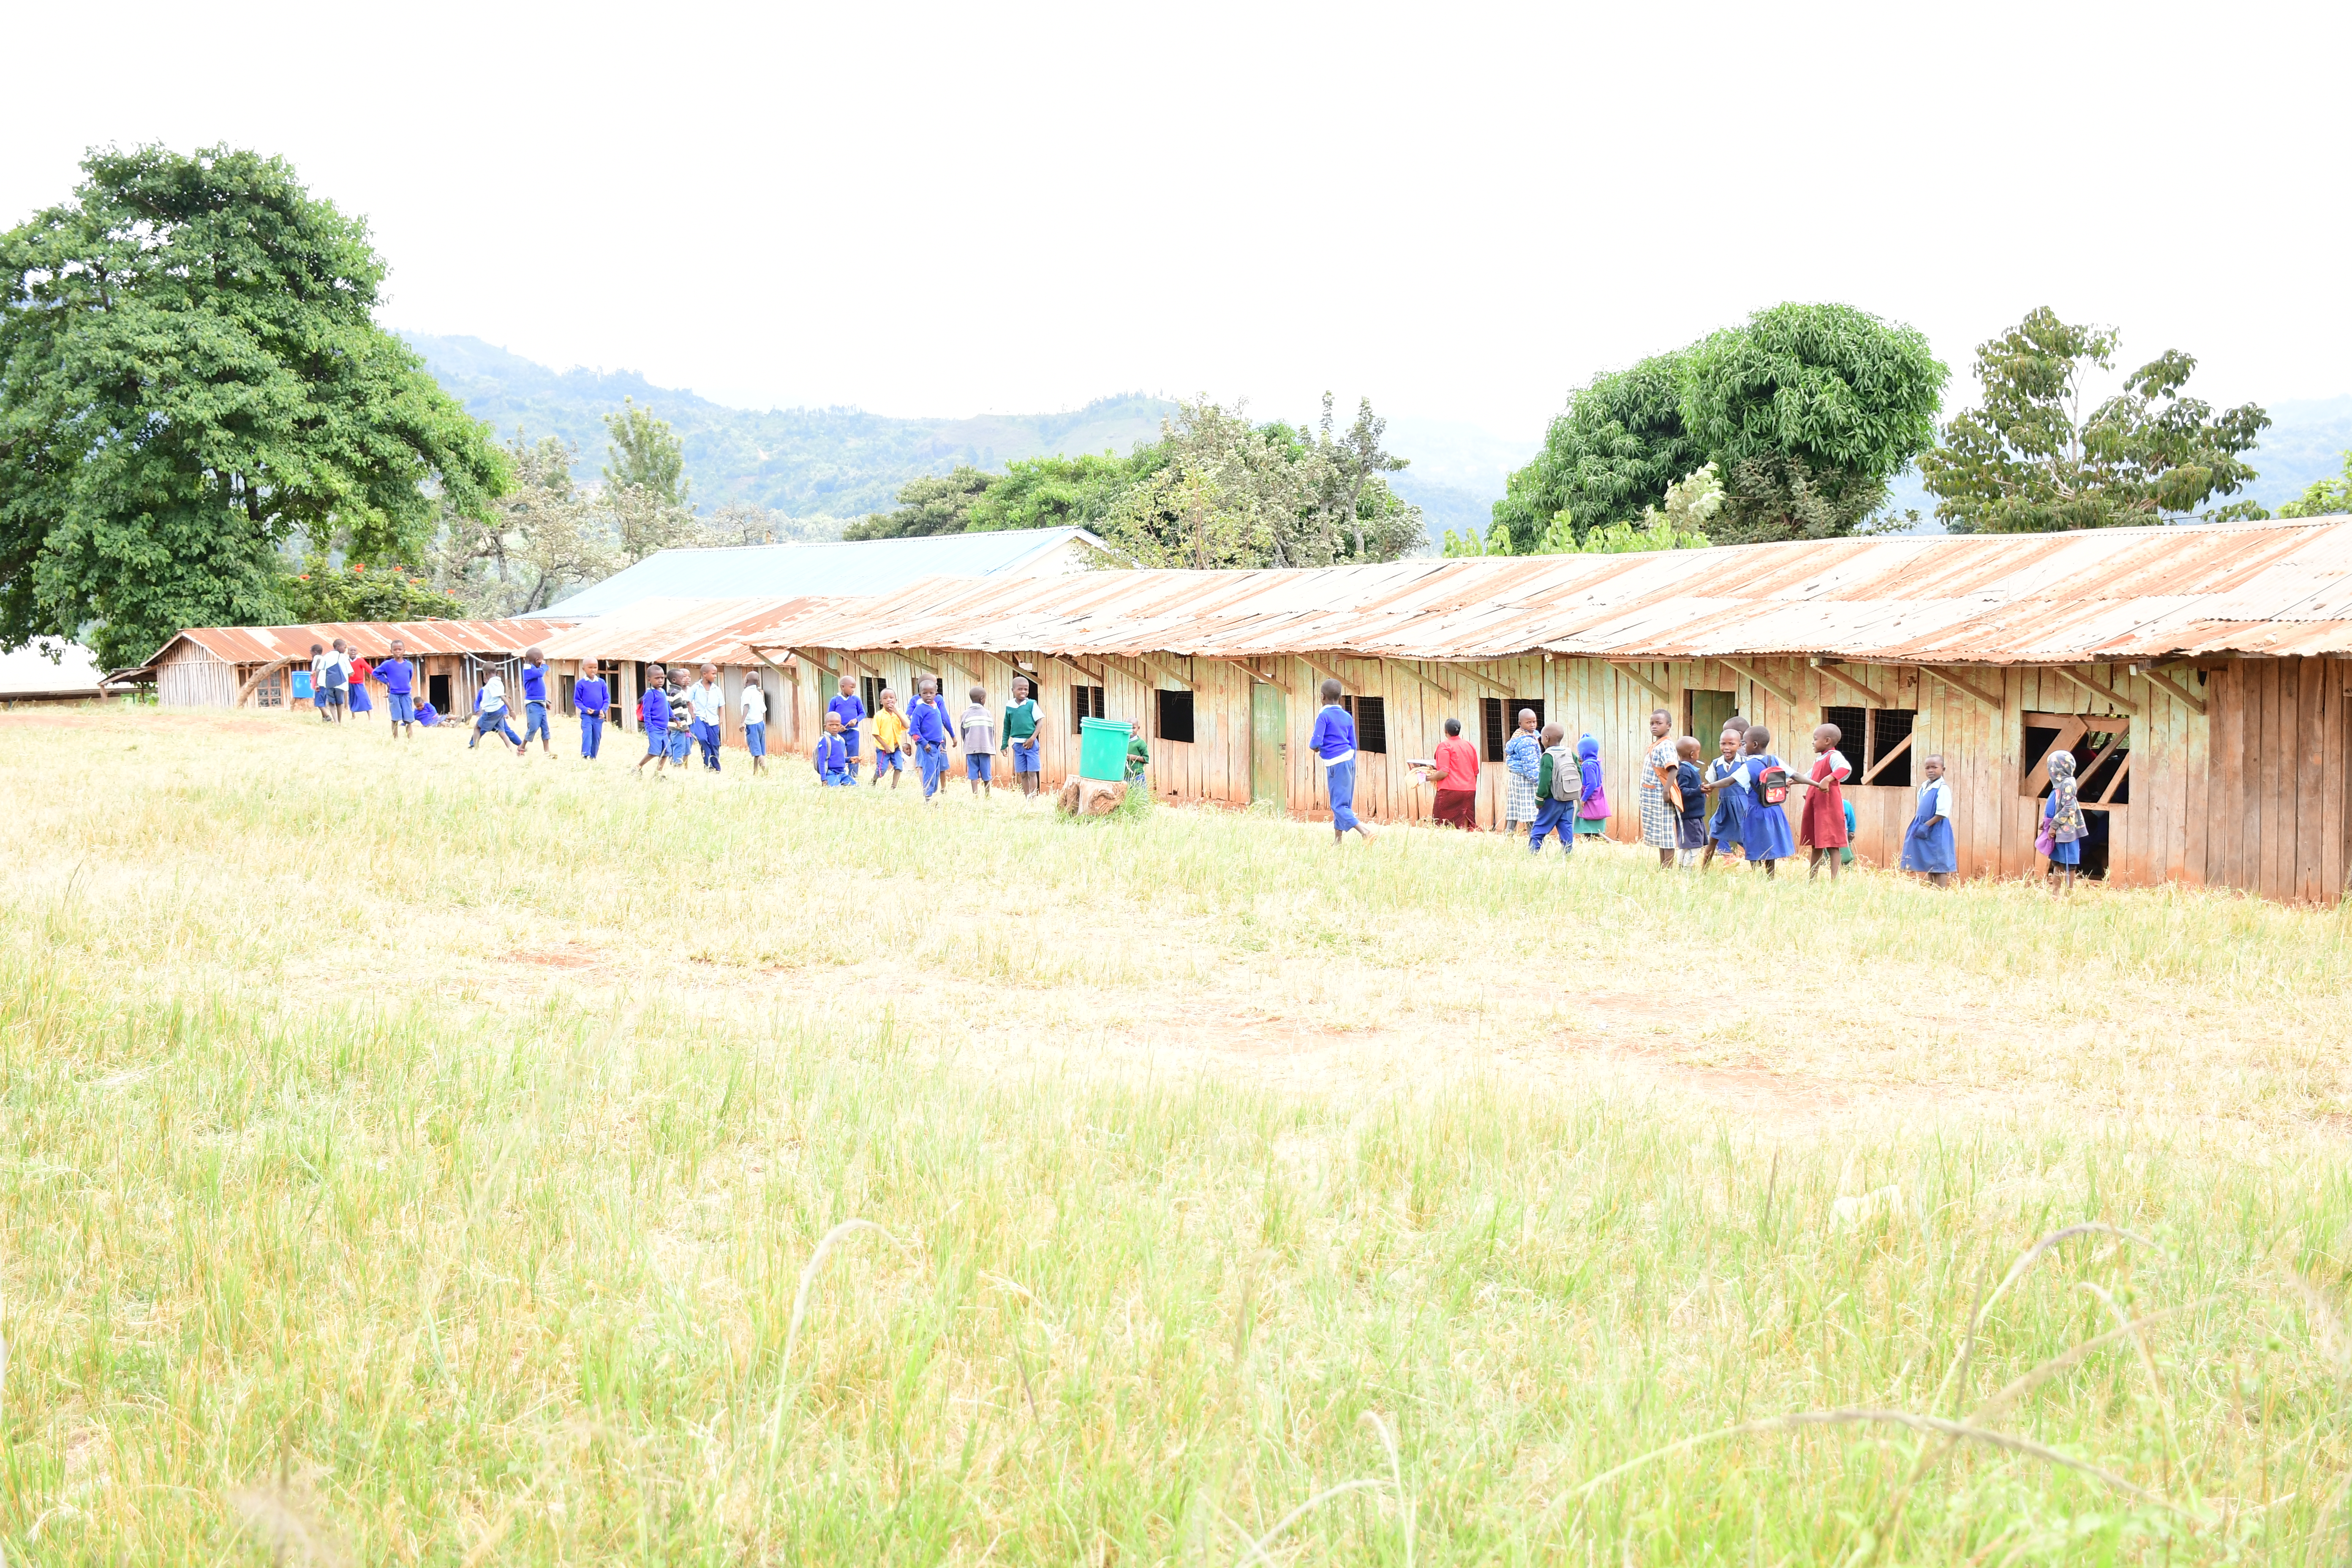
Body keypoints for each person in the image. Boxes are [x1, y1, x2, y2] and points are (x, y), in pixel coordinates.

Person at [1309, 678, 1378, 845]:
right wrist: (1352, 762)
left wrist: (1315, 747)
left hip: (1336, 764)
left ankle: (1365, 832)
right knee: (1343, 802)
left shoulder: (1324, 716)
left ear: (1322, 697)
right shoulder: (1347, 717)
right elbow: (1353, 743)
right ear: (1340, 697)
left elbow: (1316, 741)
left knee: (1338, 806)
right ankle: (1338, 841)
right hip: (1349, 761)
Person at [1733, 724, 1795, 877]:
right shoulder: (1775, 760)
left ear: (1754, 745)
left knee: (1753, 840)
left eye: (1744, 743)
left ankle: (1756, 873)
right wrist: (1816, 783)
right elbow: (1795, 775)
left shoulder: (1749, 765)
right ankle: (1771, 876)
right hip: (1774, 810)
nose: (1742, 746)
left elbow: (1729, 781)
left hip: (1755, 811)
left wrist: (1710, 786)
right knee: (1770, 843)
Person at [1796, 721, 1854, 881]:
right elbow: (1806, 777)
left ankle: (1834, 881)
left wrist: (1828, 779)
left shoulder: (1834, 757)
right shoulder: (1819, 760)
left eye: (1815, 739)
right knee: (1816, 843)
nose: (1813, 742)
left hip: (1829, 806)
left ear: (1827, 741)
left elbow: (1846, 769)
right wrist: (1790, 781)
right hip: (1817, 806)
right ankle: (1812, 880)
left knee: (1833, 844)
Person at [1699, 718, 1750, 870]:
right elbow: (1709, 782)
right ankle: (1704, 871)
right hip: (1725, 806)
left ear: (1740, 745)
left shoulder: (1746, 763)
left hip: (1742, 806)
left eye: (1732, 744)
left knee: (1747, 838)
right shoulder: (1717, 764)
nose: (1727, 748)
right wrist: (1705, 790)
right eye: (1723, 744)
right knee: (1714, 834)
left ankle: (1759, 869)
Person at [1901, 753, 1956, 888]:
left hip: (1937, 828)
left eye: (1935, 767)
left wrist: (1927, 825)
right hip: (1924, 826)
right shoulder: (1924, 787)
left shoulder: (1942, 789)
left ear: (1943, 770)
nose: (1931, 771)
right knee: (1929, 860)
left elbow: (1942, 813)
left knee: (1939, 861)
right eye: (1927, 768)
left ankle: (1941, 890)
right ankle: (1931, 889)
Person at [1420, 716, 1481, 830]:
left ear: (1445, 731)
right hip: (1469, 790)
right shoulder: (1470, 745)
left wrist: (1427, 778)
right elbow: (1475, 772)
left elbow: (1444, 772)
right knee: (1465, 824)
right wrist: (1469, 787)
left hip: (1449, 791)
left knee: (1441, 824)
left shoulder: (1445, 746)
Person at [1638, 708, 1678, 868]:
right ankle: (1663, 866)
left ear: (1668, 726)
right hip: (1653, 795)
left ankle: (1667, 868)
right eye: (1652, 723)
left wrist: (1666, 791)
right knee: (1661, 834)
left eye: (1659, 723)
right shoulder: (1656, 745)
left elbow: (1673, 769)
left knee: (1666, 834)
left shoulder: (1666, 745)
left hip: (1661, 796)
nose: (1654, 726)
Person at [1528, 723, 1576, 856]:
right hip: (1568, 798)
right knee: (1566, 826)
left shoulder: (1548, 757)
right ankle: (1568, 854)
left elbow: (1545, 780)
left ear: (1547, 739)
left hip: (1552, 799)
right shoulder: (1569, 753)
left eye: (1542, 737)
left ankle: (1532, 853)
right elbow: (1579, 772)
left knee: (1540, 826)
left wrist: (1540, 799)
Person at [2043, 749, 2085, 895]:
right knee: (2057, 862)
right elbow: (2055, 805)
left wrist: (2054, 826)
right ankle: (2055, 894)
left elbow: (2069, 807)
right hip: (2057, 830)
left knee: (2069, 863)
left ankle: (2069, 894)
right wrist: (2047, 823)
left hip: (2065, 831)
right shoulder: (2058, 785)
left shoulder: (2067, 784)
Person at [907, 677, 954, 801]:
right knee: (929, 771)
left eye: (931, 693)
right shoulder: (920, 709)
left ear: (936, 694)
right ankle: (927, 799)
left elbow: (942, 722)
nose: (928, 696)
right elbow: (914, 731)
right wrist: (924, 743)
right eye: (925, 693)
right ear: (920, 695)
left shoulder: (935, 707)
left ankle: (931, 795)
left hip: (938, 746)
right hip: (928, 746)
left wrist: (947, 738)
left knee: (936, 772)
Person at [1002, 676, 1043, 798]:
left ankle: (1034, 798)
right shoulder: (1010, 706)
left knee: (1032, 772)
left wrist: (1032, 739)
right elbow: (1007, 726)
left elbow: (1040, 722)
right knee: (1023, 774)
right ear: (1013, 690)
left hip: (1031, 744)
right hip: (1018, 745)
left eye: (1026, 689)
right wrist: (1005, 744)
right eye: (1020, 689)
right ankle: (1027, 798)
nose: (1023, 692)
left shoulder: (1031, 704)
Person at [1503, 708, 1542, 836]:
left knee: (1514, 807)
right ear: (1520, 724)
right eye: (1528, 723)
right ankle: (1533, 838)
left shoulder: (1520, 736)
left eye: (1534, 722)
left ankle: (1509, 836)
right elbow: (1530, 766)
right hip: (1526, 778)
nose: (1532, 725)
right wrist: (1538, 781)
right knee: (1530, 809)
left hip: (1517, 777)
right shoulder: (1527, 742)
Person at [1673, 737, 1709, 868]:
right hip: (1691, 816)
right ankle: (1687, 871)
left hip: (1691, 815)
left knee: (1687, 845)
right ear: (1693, 754)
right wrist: (1698, 791)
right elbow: (1681, 792)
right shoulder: (1684, 771)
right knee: (1695, 846)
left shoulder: (1686, 769)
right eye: (1698, 752)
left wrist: (1701, 792)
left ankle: (1681, 869)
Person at [959, 684, 997, 798]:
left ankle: (975, 795)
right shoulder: (987, 713)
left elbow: (963, 732)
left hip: (971, 748)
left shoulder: (965, 714)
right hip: (985, 748)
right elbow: (992, 731)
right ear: (982, 699)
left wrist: (968, 743)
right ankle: (987, 794)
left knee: (973, 772)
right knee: (986, 772)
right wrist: (990, 744)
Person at [469, 672, 523, 753]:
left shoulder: (495, 687)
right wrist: (477, 711)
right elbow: (477, 702)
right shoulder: (483, 691)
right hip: (491, 713)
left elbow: (501, 700)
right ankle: (472, 744)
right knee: (496, 731)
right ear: (485, 680)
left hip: (494, 713)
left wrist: (506, 712)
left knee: (506, 731)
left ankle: (521, 744)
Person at [869, 688, 910, 789]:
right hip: (884, 748)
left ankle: (893, 787)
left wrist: (896, 712)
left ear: (896, 700)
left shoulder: (899, 713)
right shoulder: (879, 716)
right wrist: (885, 746)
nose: (889, 700)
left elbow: (906, 726)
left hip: (896, 747)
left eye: (891, 698)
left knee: (899, 767)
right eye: (885, 698)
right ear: (881, 701)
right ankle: (873, 781)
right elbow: (876, 734)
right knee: (881, 770)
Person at [636, 664, 672, 776]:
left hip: (664, 728)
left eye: (662, 678)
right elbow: (646, 712)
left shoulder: (663, 692)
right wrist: (650, 726)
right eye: (657, 678)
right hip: (654, 727)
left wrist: (675, 718)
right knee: (654, 751)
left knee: (666, 752)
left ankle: (658, 773)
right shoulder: (650, 694)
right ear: (649, 679)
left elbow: (667, 707)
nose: (661, 680)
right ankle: (638, 767)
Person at [376, 639, 418, 739]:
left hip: (406, 694)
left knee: (408, 719)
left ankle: (410, 739)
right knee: (395, 718)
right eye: (395, 650)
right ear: (391, 651)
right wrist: (387, 682)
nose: (398, 652)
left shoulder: (409, 665)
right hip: (394, 694)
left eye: (400, 649)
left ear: (404, 650)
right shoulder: (388, 665)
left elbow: (410, 676)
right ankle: (396, 738)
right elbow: (376, 673)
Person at [517, 648, 554, 757]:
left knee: (545, 728)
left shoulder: (534, 669)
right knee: (533, 727)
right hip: (533, 705)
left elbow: (538, 689)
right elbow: (540, 673)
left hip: (541, 703)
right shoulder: (529, 670)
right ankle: (522, 747)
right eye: (541, 661)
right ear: (538, 660)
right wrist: (544, 666)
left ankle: (547, 752)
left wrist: (545, 701)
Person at [1573, 735, 1610, 843]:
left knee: (1588, 827)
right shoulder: (1596, 763)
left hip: (1589, 799)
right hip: (1596, 798)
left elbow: (1592, 784)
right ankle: (1593, 843)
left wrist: (1584, 799)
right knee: (1591, 829)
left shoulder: (1588, 765)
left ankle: (1609, 842)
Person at [828, 677, 866, 783]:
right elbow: (830, 715)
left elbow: (863, 713)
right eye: (851, 687)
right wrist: (838, 726)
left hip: (854, 732)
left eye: (854, 688)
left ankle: (853, 776)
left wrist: (856, 720)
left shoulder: (856, 700)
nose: (853, 690)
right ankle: (839, 773)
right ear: (843, 687)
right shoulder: (835, 700)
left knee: (854, 752)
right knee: (839, 752)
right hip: (840, 733)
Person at [689, 663, 725, 771]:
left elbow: (722, 705)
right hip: (700, 719)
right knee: (703, 739)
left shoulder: (717, 689)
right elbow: (688, 702)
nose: (715, 676)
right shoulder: (696, 688)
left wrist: (721, 719)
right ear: (705, 674)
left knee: (715, 744)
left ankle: (716, 768)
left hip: (714, 720)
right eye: (713, 674)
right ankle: (708, 765)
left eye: (716, 674)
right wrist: (693, 716)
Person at [574, 664, 610, 760]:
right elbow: (577, 700)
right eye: (590, 668)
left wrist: (603, 710)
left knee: (597, 736)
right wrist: (585, 709)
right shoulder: (581, 683)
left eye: (595, 668)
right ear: (584, 669)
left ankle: (593, 757)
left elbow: (607, 699)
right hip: (587, 715)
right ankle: (585, 755)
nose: (593, 670)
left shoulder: (601, 683)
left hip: (599, 716)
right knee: (588, 733)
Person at [813, 713, 854, 785]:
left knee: (855, 786)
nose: (834, 727)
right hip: (831, 773)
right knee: (836, 789)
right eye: (831, 725)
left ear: (841, 726)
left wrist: (849, 759)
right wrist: (824, 778)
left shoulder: (841, 740)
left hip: (842, 774)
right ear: (825, 727)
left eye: (837, 725)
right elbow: (821, 760)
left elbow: (837, 759)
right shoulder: (825, 739)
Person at [666, 669, 695, 769]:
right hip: (679, 726)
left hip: (673, 726)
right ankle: (677, 767)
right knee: (679, 746)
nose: (684, 679)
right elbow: (679, 713)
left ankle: (676, 764)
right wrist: (685, 726)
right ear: (674, 680)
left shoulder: (670, 692)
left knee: (676, 745)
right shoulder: (678, 693)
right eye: (682, 678)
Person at [740, 673, 768, 776]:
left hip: (752, 725)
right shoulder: (758, 693)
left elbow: (746, 706)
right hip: (761, 724)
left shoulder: (746, 693)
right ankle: (755, 773)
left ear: (746, 681)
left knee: (757, 751)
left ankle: (766, 772)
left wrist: (742, 722)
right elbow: (763, 710)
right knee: (758, 750)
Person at [318, 640, 348, 724]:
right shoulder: (343, 657)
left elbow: (319, 670)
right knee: (339, 703)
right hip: (341, 684)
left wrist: (317, 683)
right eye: (345, 647)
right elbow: (351, 672)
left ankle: (336, 722)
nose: (345, 649)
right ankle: (340, 721)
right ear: (339, 647)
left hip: (329, 684)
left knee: (331, 704)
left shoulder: (327, 656)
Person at [347, 649, 374, 718]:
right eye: (351, 650)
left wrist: (376, 674)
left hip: (359, 683)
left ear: (357, 652)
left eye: (355, 651)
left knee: (364, 698)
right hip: (350, 683)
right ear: (348, 652)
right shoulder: (346, 661)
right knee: (352, 699)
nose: (353, 652)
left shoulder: (360, 661)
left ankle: (370, 717)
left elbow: (368, 668)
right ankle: (353, 716)